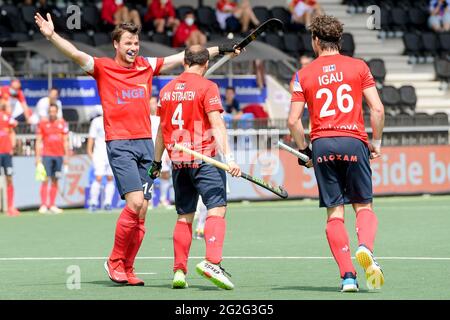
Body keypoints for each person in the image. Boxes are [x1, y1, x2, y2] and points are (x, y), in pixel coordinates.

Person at [35, 13, 239, 286]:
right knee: (134, 202)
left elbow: (183, 57)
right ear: (116, 45)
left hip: (145, 143)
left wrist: (220, 49)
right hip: (119, 144)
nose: (134, 47)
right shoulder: (102, 67)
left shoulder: (146, 66)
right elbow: (74, 53)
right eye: (128, 42)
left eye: (137, 43)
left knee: (143, 209)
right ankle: (114, 261)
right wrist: (51, 35)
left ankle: (128, 267)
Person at [287, 15, 385, 292]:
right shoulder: (359, 67)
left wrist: (304, 150)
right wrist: (376, 142)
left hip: (323, 144)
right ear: (339, 40)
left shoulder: (302, 74)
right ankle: (365, 247)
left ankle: (348, 278)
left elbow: (293, 121)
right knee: (363, 206)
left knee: (334, 214)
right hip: (354, 141)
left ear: (316, 41)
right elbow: (377, 109)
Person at [149, 45, 241, 290]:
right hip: (205, 159)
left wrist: (156, 162)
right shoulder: (207, 87)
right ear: (206, 64)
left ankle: (179, 271)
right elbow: (217, 124)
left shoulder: (166, 90)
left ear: (184, 62)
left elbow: (160, 132)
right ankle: (212, 262)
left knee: (184, 217)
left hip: (178, 161)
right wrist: (229, 158)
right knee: (217, 210)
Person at [35, 104, 69, 214]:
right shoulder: (43, 123)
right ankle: (44, 204)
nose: (52, 113)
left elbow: (65, 140)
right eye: (50, 111)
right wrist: (37, 157)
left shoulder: (62, 123)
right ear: (48, 112)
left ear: (57, 112)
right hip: (46, 155)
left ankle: (52, 204)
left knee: (55, 180)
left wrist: (66, 156)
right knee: (45, 179)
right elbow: (38, 141)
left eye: (54, 111)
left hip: (58, 155)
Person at [87, 112, 116, 212]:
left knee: (110, 178)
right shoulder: (96, 121)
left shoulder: (115, 120)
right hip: (99, 154)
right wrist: (89, 152)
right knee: (98, 177)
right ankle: (93, 203)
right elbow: (91, 137)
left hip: (111, 154)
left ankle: (108, 203)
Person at [150, 96, 172, 209]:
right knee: (150, 173)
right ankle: (149, 200)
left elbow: (166, 133)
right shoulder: (145, 118)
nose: (152, 105)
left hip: (162, 149)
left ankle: (163, 199)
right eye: (151, 103)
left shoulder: (162, 117)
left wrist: (168, 152)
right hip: (150, 149)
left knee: (165, 174)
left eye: (154, 103)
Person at [0, 100, 20, 216]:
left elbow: (12, 132)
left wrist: (12, 146)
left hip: (6, 153)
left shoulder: (7, 117)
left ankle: (10, 207)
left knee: (9, 179)